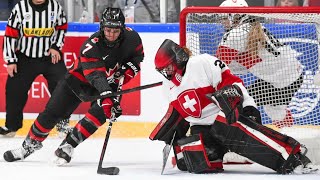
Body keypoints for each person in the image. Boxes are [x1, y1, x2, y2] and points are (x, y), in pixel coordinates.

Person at [149, 39, 317, 174]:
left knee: (226, 127)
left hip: (228, 117)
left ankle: (293, 155)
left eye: (168, 68)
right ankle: (224, 153)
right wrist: (173, 130)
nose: (167, 74)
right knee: (196, 162)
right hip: (203, 128)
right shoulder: (168, 86)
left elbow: (234, 84)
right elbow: (183, 112)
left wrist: (248, 107)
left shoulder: (203, 62)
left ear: (178, 59)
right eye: (163, 71)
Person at [3, 7, 144, 165]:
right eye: (108, 30)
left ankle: (68, 146)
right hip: (77, 81)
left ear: (122, 29)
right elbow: (96, 76)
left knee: (101, 113)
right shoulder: (91, 46)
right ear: (102, 27)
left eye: (115, 31)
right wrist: (107, 96)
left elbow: (138, 57)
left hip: (109, 82)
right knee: (52, 113)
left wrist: (127, 70)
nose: (111, 34)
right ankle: (27, 147)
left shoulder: (133, 38)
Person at [216, 0, 304, 128]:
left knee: (241, 104)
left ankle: (246, 137)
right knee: (274, 110)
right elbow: (240, 63)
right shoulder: (252, 26)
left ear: (234, 16)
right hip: (291, 76)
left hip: (282, 81)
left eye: (224, 17)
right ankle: (289, 132)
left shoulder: (236, 34)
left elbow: (217, 65)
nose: (222, 21)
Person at [0, 0, 71, 137]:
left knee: (63, 85)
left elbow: (61, 27)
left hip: (50, 57)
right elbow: (10, 34)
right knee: (14, 89)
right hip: (25, 57)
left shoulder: (55, 7)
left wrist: (56, 46)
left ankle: (62, 125)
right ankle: (11, 126)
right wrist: (10, 60)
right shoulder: (20, 8)